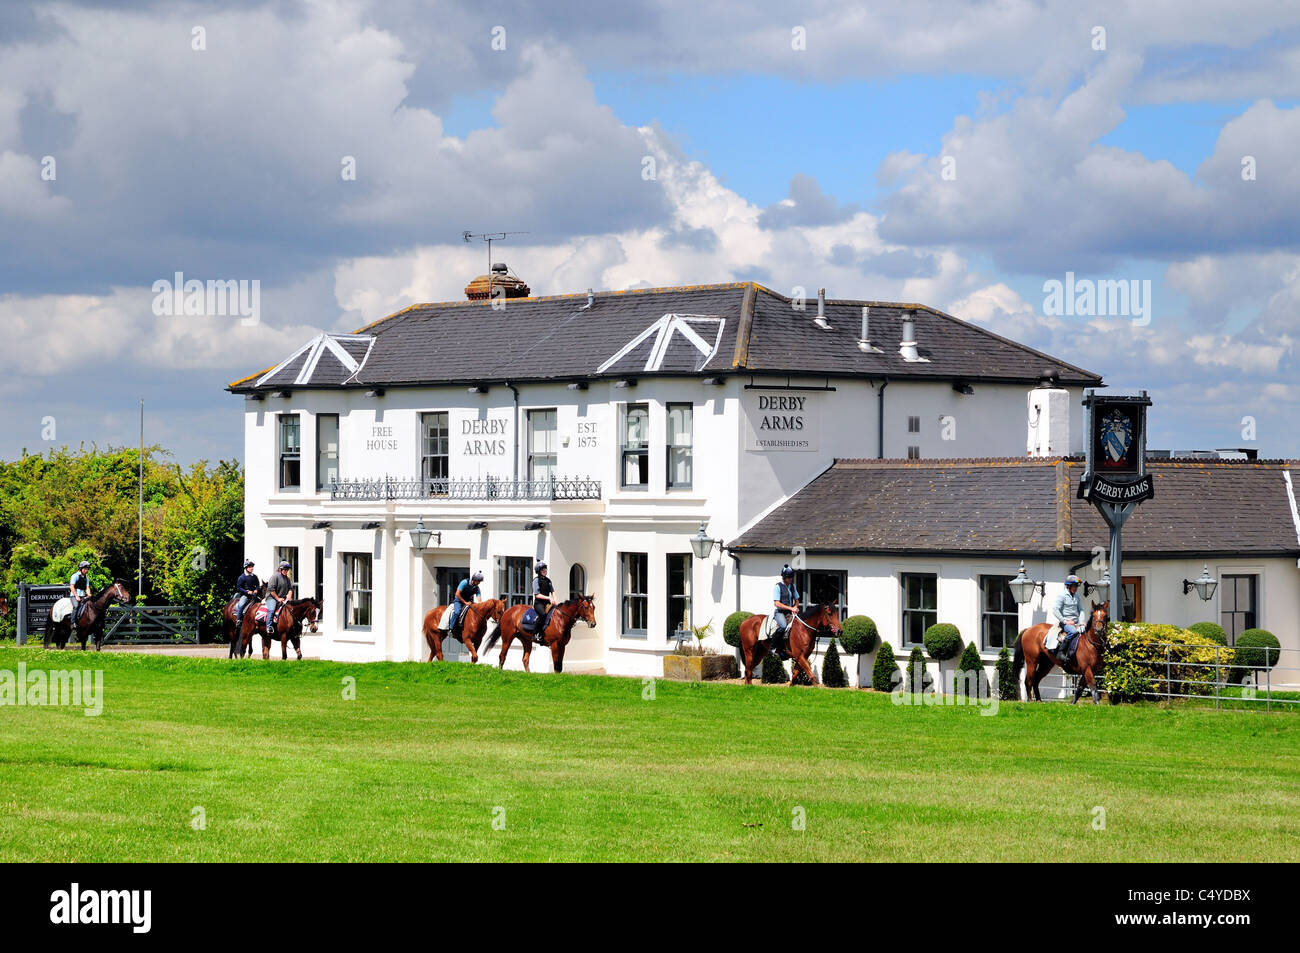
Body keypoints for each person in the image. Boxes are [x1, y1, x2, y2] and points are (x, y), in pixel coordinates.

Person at [1048, 575, 1083, 663]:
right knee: (1073, 632)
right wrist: (1065, 621)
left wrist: (1082, 622)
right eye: (1074, 586)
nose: (1076, 588)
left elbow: (1081, 610)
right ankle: (1061, 652)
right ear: (1069, 586)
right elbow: (1055, 610)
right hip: (1065, 623)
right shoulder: (1062, 595)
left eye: (1076, 586)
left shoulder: (1077, 597)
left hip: (1076, 622)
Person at [770, 565, 800, 659]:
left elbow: (797, 600)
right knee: (783, 626)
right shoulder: (778, 587)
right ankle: (773, 647)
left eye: (791, 577)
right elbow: (777, 603)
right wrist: (791, 609)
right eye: (789, 577)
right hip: (780, 613)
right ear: (784, 577)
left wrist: (795, 606)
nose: (791, 579)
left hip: (789, 613)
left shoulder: (792, 586)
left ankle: (789, 648)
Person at [530, 562, 558, 645]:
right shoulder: (536, 581)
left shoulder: (548, 581)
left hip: (547, 603)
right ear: (538, 571)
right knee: (543, 615)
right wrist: (549, 598)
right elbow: (537, 595)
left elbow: (553, 592)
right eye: (543, 569)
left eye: (545, 569)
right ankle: (536, 634)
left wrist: (556, 601)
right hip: (539, 604)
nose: (545, 571)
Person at [449, 570, 483, 637]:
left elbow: (479, 598)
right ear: (474, 580)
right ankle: (451, 628)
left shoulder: (477, 588)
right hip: (458, 601)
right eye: (478, 581)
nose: (479, 583)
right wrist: (465, 602)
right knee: (457, 612)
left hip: (468, 602)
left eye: (480, 581)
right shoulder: (464, 582)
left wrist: (480, 605)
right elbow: (457, 594)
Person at [264, 560, 294, 637]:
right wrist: (278, 599)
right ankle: (269, 626)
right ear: (280, 569)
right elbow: (271, 590)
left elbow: (290, 589)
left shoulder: (287, 579)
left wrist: (289, 596)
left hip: (282, 598)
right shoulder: (275, 577)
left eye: (287, 569)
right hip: (271, 598)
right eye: (284, 569)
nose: (286, 571)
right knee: (272, 609)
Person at [234, 559, 260, 632]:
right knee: (241, 604)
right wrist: (246, 592)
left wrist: (256, 590)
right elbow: (238, 588)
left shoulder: (254, 576)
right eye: (250, 567)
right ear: (246, 568)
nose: (252, 568)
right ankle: (238, 620)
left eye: (252, 566)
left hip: (254, 595)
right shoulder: (242, 577)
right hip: (245, 595)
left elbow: (258, 585)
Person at [69, 561, 93, 627]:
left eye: (87, 569)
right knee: (76, 606)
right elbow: (71, 586)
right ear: (81, 568)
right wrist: (76, 596)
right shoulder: (75, 576)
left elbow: (87, 587)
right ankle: (72, 622)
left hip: (83, 595)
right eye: (85, 569)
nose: (86, 570)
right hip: (74, 595)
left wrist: (89, 594)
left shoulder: (86, 577)